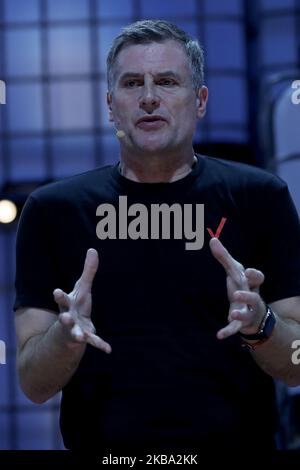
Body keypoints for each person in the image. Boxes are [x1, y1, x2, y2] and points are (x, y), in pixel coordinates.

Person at [14, 19, 300, 454]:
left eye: (167, 81)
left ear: (200, 100)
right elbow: (33, 383)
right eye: (132, 84)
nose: (149, 98)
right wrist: (65, 339)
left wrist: (260, 323)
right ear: (111, 105)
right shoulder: (53, 210)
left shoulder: (260, 198)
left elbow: (298, 364)